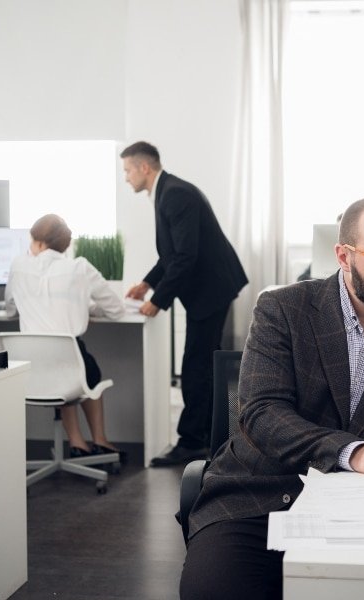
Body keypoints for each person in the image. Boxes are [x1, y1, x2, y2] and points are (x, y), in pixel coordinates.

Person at [180, 197, 364, 599]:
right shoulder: (283, 308)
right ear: (344, 256)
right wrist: (355, 452)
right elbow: (262, 414)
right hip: (260, 495)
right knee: (214, 590)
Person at [121, 141, 248, 467]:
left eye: (127, 170)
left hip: (212, 288)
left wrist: (158, 301)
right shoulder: (168, 190)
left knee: (196, 366)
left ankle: (193, 442)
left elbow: (185, 256)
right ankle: (209, 436)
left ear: (144, 167)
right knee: (203, 363)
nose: (125, 178)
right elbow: (172, 253)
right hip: (210, 286)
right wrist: (148, 283)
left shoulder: (175, 194)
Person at [5, 214, 126, 458]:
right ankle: (99, 439)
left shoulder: (18, 265)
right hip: (69, 366)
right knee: (81, 369)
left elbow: (10, 309)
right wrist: (87, 308)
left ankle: (77, 442)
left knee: (64, 366)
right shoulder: (79, 267)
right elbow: (116, 310)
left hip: (29, 370)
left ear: (38, 243)